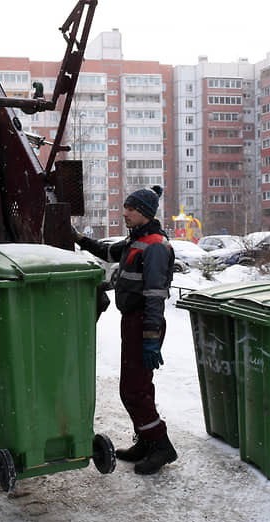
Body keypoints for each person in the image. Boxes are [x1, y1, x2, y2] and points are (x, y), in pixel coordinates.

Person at [72, 185, 177, 475]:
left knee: (134, 390)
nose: (125, 212)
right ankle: (146, 441)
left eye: (130, 208)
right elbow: (107, 251)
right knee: (135, 388)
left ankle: (161, 446)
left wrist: (151, 337)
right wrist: (79, 238)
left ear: (144, 212)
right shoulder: (136, 241)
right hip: (132, 321)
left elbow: (156, 295)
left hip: (144, 322)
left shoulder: (154, 245)